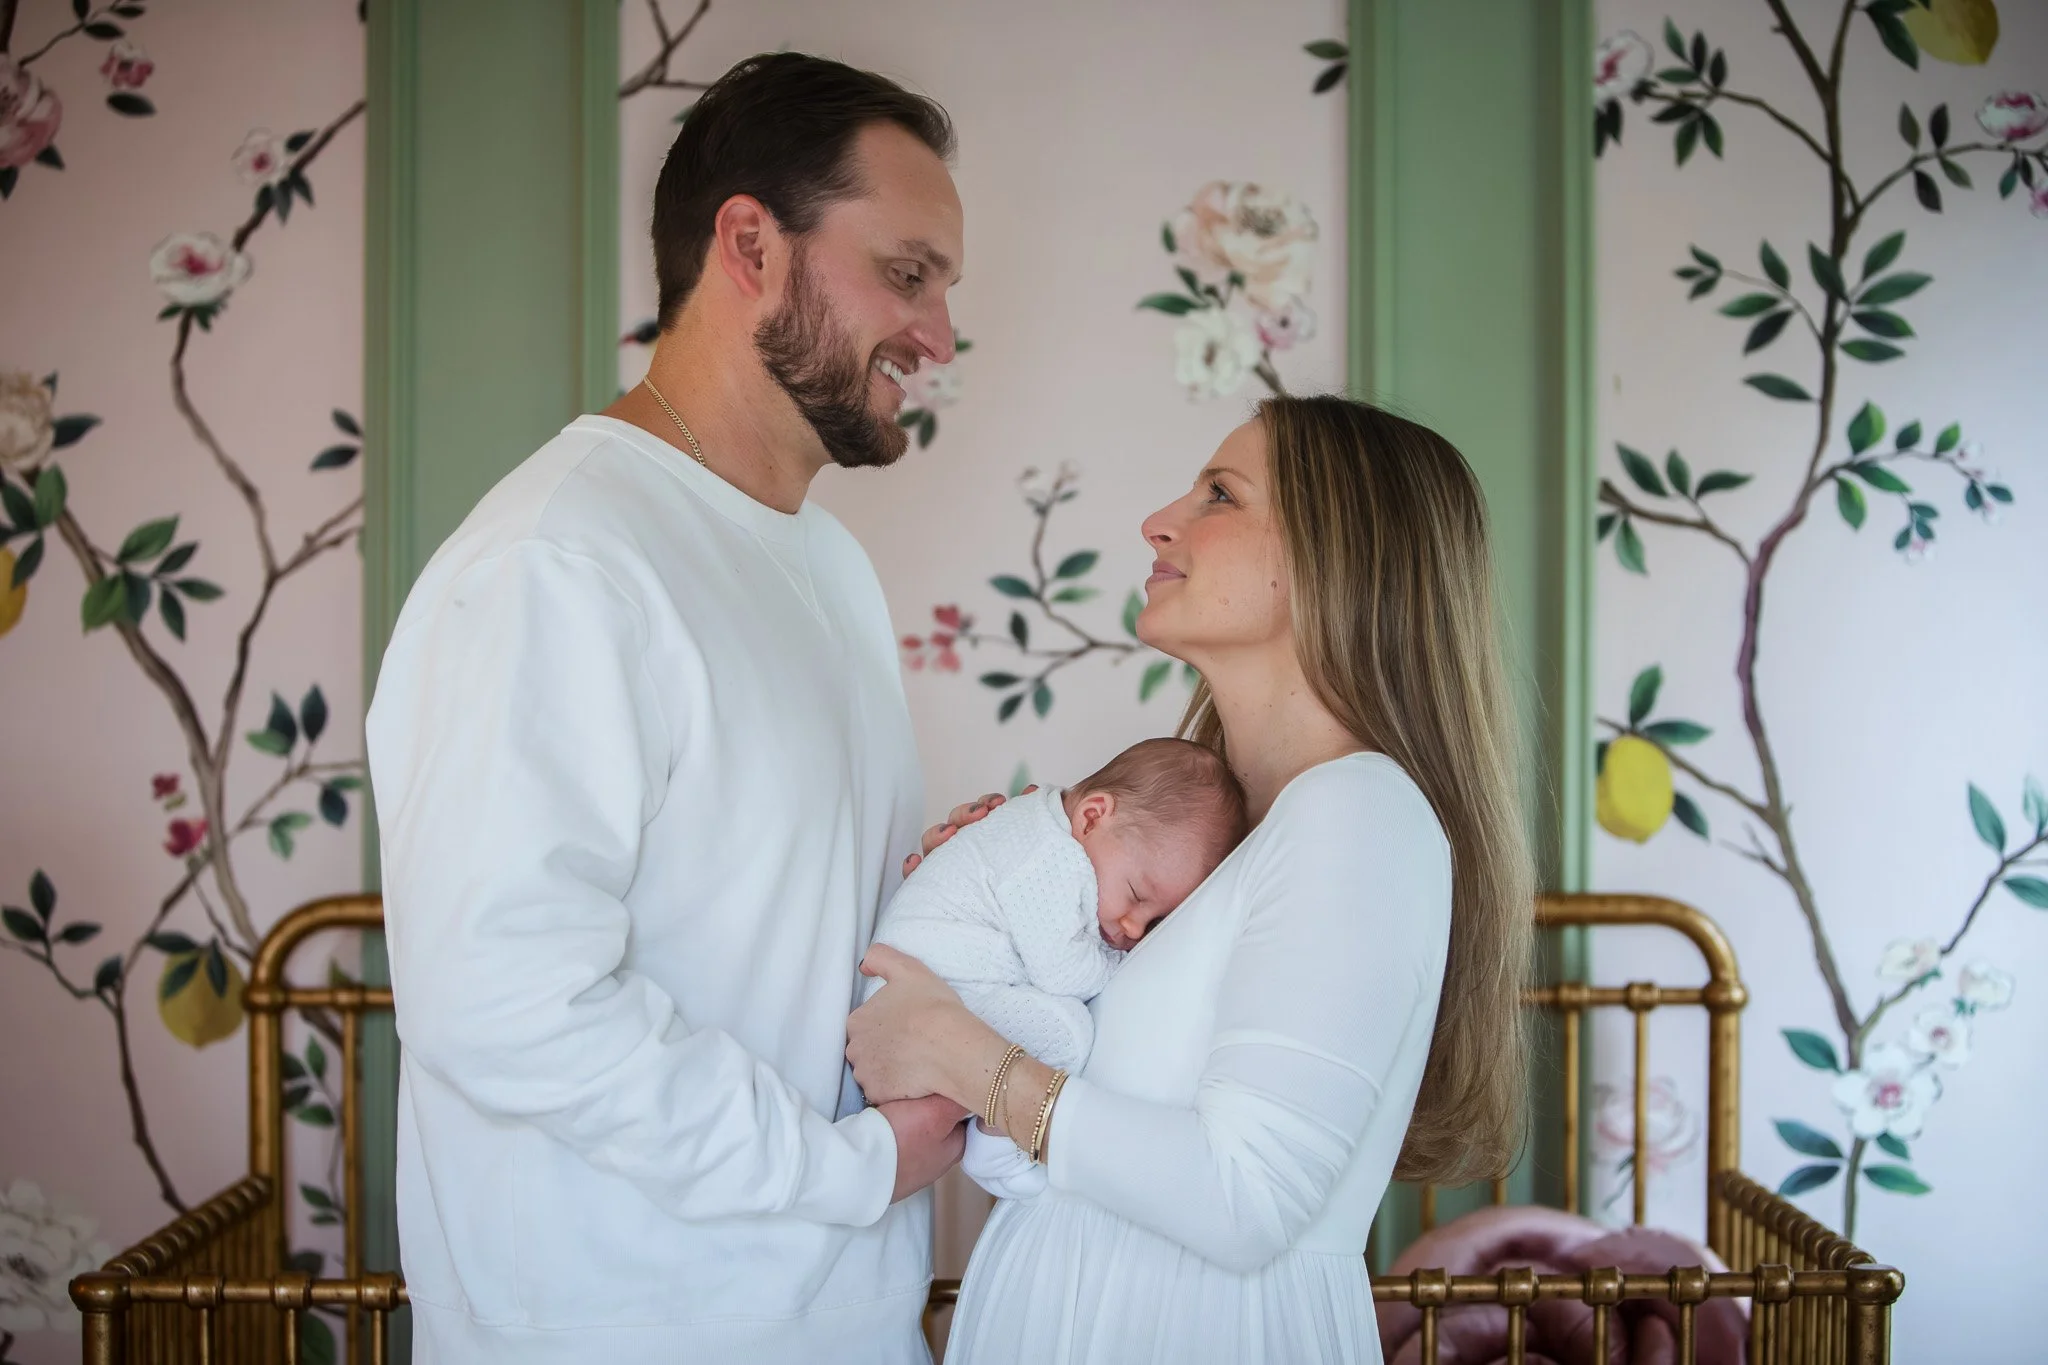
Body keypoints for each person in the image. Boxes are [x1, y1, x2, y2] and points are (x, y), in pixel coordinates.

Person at [365, 53, 973, 1363]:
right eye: (908, 274)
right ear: (750, 241)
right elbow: (508, 999)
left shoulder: (827, 565)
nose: (937, 337)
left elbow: (769, 929)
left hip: (839, 1323)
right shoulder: (558, 560)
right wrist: (846, 1169)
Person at [847, 395, 1536, 1363]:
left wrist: (959, 1052)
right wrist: (981, 920)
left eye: (1219, 493)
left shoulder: (1356, 816)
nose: (1157, 521)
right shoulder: (1232, 834)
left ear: (1331, 558)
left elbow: (1244, 1198)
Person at [862, 738, 1248, 1199]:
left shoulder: (1043, 824)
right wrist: (1125, 965)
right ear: (1092, 816)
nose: (1132, 928)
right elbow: (1063, 976)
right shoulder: (1052, 859)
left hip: (922, 988)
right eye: (1136, 897)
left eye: (1154, 921)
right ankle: (994, 1150)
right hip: (925, 991)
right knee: (1069, 1033)